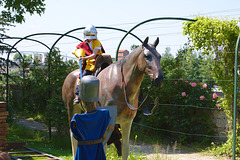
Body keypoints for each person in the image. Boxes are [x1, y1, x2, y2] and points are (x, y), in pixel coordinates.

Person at [70, 75, 110, 160]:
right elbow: (105, 137)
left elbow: (75, 136)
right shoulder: (105, 114)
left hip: (83, 155)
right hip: (98, 154)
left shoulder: (77, 119)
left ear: (82, 100)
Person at [72, 24, 105, 104]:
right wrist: (78, 54)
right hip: (89, 65)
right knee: (83, 77)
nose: (90, 36)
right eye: (89, 34)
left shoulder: (97, 42)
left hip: (98, 62)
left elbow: (94, 55)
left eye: (92, 34)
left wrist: (84, 58)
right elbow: (74, 50)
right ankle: (78, 95)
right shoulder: (83, 43)